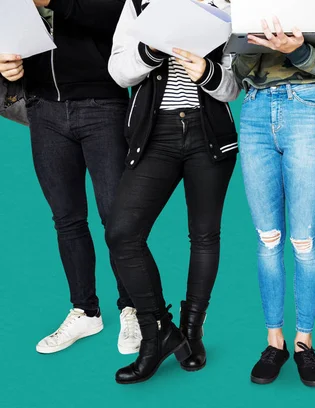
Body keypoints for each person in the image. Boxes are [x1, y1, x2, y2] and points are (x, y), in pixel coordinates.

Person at [106, 0, 240, 384]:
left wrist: (208, 72)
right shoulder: (139, 4)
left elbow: (233, 88)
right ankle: (158, 332)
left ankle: (192, 332)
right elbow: (118, 71)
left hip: (208, 134)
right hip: (156, 136)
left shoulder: (226, 6)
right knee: (122, 233)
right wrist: (149, 52)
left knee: (204, 235)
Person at [0, 0, 141, 355]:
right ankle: (85, 311)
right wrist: (7, 67)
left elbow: (116, 16)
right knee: (66, 218)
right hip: (43, 108)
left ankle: (134, 307)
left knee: (117, 218)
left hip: (102, 103)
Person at [232, 17, 315, 387]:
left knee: (303, 240)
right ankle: (274, 341)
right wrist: (263, 45)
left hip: (307, 106)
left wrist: (295, 49)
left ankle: (304, 342)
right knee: (267, 238)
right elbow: (236, 64)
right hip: (253, 109)